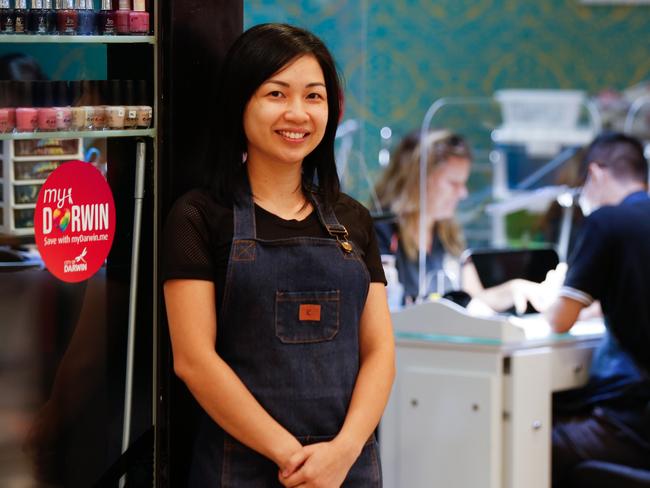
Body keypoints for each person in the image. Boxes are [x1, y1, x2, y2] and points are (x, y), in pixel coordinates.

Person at [162, 23, 395, 487]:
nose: (297, 113)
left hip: (346, 469)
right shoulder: (199, 216)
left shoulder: (353, 218)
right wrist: (293, 458)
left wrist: (343, 452)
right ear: (239, 102)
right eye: (276, 94)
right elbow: (193, 360)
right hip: (242, 469)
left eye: (314, 96)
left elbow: (380, 350)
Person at [529, 132, 650, 486]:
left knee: (530, 438)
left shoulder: (609, 222)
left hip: (631, 419)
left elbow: (559, 318)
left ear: (595, 173)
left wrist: (541, 292)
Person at [374, 129, 535, 312]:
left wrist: (515, 289)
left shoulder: (447, 234)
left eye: (463, 183)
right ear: (418, 180)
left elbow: (474, 297)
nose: (463, 193)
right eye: (453, 183)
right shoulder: (380, 232)